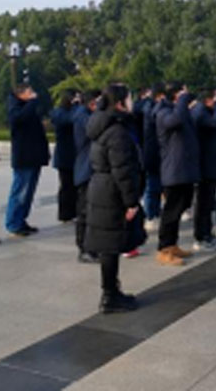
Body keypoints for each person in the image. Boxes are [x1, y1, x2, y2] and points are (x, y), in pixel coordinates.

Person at [84, 84, 141, 313]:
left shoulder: (102, 124)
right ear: (119, 103)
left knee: (109, 244)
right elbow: (122, 170)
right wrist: (131, 201)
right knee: (110, 245)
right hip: (112, 191)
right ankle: (109, 296)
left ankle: (112, 291)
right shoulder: (117, 132)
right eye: (129, 99)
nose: (132, 102)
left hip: (101, 186)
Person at [156, 82, 197, 266]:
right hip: (173, 170)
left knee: (181, 206)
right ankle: (164, 249)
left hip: (185, 168)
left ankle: (173, 245)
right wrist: (182, 100)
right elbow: (175, 121)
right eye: (183, 92)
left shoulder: (177, 110)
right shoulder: (163, 112)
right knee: (171, 212)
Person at [5, 83, 50, 237]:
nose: (33, 94)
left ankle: (21, 220)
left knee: (28, 193)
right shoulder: (15, 107)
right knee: (20, 191)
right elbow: (18, 119)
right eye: (29, 92)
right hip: (24, 157)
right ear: (20, 94)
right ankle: (13, 223)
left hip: (34, 156)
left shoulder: (29, 107)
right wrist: (32, 103)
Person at [192, 88, 216, 251]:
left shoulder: (205, 111)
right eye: (215, 98)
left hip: (211, 162)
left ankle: (207, 233)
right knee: (203, 202)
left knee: (208, 201)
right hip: (206, 164)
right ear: (208, 100)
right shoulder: (200, 113)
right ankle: (201, 236)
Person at [73, 89, 102, 263]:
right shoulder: (82, 116)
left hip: (91, 168)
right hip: (86, 169)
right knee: (85, 211)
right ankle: (84, 248)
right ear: (92, 103)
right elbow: (95, 129)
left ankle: (92, 246)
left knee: (93, 211)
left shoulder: (86, 114)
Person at [50, 89, 79, 223]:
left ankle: (75, 211)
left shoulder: (74, 111)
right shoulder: (59, 112)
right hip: (65, 155)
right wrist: (76, 106)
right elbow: (69, 119)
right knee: (67, 186)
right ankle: (65, 214)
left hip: (76, 154)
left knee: (76, 186)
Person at [140, 83, 166, 232]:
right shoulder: (150, 107)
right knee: (152, 186)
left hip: (157, 151)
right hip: (152, 151)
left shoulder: (152, 106)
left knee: (156, 185)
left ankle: (155, 212)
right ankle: (150, 215)